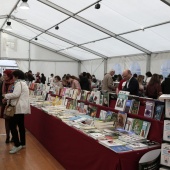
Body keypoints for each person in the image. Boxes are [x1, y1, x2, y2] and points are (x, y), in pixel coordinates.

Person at [4, 70, 30, 154]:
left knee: (12, 126)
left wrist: (5, 96)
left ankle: (17, 144)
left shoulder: (19, 84)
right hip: (21, 108)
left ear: (17, 76)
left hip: (17, 108)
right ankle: (22, 143)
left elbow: (15, 94)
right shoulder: (24, 83)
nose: (13, 78)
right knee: (21, 126)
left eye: (14, 76)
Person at [1, 70, 14, 143]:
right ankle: (7, 136)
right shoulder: (4, 82)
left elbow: (13, 94)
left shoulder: (13, 83)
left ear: (9, 75)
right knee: (6, 120)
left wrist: (6, 97)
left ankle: (13, 136)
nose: (4, 76)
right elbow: (2, 92)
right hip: (5, 103)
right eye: (3, 75)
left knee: (12, 121)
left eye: (5, 75)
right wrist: (4, 99)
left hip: (12, 104)